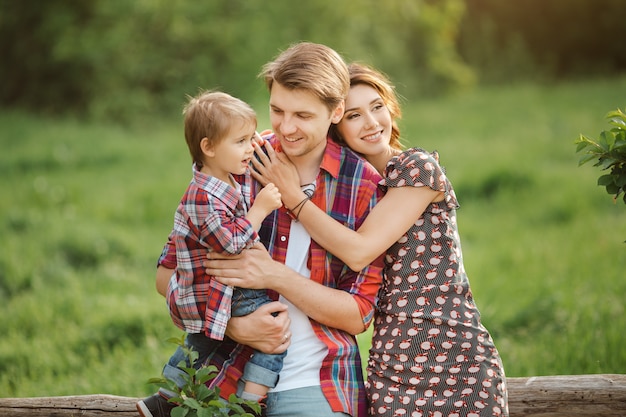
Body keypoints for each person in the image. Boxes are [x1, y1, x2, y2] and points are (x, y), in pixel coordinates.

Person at [248, 63, 509, 416]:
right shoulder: (346, 184)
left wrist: (293, 196)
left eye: (377, 106)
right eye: (355, 115)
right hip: (392, 359)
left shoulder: (416, 170)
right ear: (335, 122)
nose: (371, 123)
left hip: (452, 351)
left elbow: (359, 252)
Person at [156, 43, 385, 417]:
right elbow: (168, 273)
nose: (286, 127)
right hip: (226, 375)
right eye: (277, 111)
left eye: (303, 115)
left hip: (318, 383)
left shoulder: (363, 186)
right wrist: (232, 325)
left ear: (336, 111)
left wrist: (273, 275)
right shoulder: (239, 160)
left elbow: (359, 313)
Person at [137, 91, 286, 417]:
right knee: (275, 336)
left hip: (219, 289)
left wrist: (256, 143)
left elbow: (247, 169)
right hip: (223, 289)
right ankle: (250, 404)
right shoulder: (201, 197)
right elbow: (230, 243)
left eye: (251, 139)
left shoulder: (226, 175)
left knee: (200, 345)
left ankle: (164, 400)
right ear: (209, 147)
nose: (250, 148)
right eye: (241, 141)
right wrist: (259, 211)